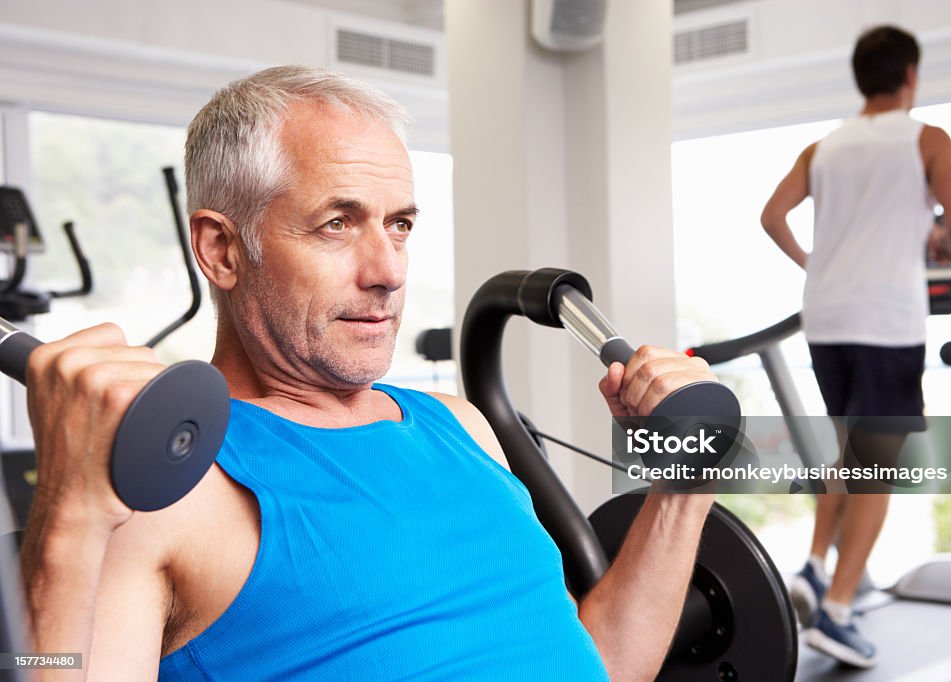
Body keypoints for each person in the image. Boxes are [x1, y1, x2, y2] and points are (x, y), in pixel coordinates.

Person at [18, 65, 719, 681]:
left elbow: (595, 665)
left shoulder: (461, 426)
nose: (388, 271)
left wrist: (684, 486)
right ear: (222, 251)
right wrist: (67, 516)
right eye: (337, 224)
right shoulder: (163, 492)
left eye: (401, 225)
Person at [760, 25, 951, 668]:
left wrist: (813, 264)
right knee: (879, 465)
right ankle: (839, 609)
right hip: (886, 320)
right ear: (908, 74)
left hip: (825, 315)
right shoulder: (927, 138)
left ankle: (815, 567)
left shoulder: (822, 147)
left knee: (849, 449)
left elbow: (772, 216)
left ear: (862, 77)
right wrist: (942, 240)